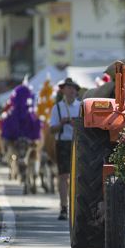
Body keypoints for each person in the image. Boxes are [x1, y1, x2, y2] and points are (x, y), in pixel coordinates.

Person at [49, 78, 81, 220]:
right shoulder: (57, 108)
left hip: (77, 143)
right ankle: (63, 207)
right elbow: (51, 129)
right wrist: (62, 123)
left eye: (73, 88)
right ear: (63, 90)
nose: (71, 90)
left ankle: (77, 206)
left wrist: (77, 125)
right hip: (62, 143)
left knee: (78, 177)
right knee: (63, 176)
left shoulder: (81, 106)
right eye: (68, 88)